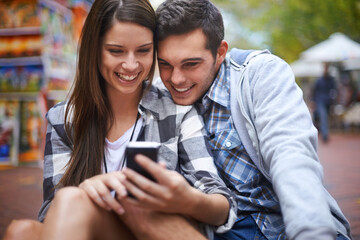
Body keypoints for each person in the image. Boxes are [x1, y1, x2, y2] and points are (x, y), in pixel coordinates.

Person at [3, 0, 238, 239]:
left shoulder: (177, 114)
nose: (131, 65)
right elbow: (50, 213)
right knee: (20, 230)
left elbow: (221, 205)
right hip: (87, 229)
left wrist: (184, 198)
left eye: (144, 51)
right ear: (94, 50)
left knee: (70, 198)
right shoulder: (63, 119)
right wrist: (86, 192)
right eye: (116, 51)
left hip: (149, 231)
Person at [130, 0, 350, 239]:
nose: (177, 79)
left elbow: (290, 156)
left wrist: (311, 232)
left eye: (191, 64)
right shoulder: (160, 99)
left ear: (220, 52)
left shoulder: (261, 74)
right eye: (165, 64)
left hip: (287, 224)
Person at [312, 62, 337, 142]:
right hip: (320, 101)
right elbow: (314, 91)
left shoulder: (331, 80)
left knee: (325, 117)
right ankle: (325, 134)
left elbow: (334, 90)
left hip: (328, 102)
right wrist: (313, 101)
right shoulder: (319, 80)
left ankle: (324, 132)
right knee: (323, 116)